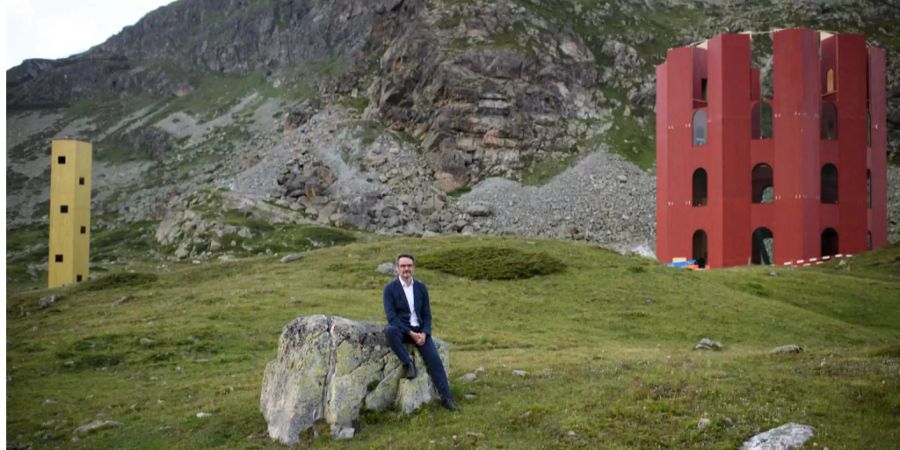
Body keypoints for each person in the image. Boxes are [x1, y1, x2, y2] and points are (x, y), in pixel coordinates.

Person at [383, 253, 456, 411]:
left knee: (435, 362)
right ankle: (408, 363)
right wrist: (410, 333)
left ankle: (447, 399)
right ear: (397, 268)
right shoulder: (389, 289)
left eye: (409, 265)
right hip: (403, 330)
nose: (406, 269)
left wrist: (424, 333)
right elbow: (392, 318)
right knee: (389, 330)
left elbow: (427, 314)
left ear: (413, 267)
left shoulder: (421, 288)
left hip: (420, 332)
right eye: (403, 266)